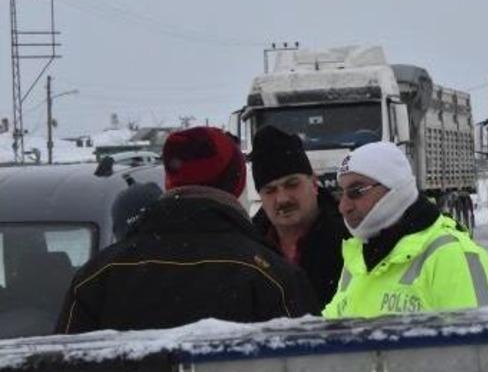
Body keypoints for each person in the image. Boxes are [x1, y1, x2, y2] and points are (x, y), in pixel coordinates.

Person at [56, 127, 319, 334]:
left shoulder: (98, 275)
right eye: (270, 189)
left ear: (169, 183)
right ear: (237, 183)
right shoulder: (269, 274)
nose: (281, 198)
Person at [323, 142, 488, 318]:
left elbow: (482, 346)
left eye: (357, 191)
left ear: (394, 188)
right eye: (341, 194)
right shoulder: (357, 257)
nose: (343, 206)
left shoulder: (453, 255)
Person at [249, 126, 349, 306]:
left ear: (314, 184)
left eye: (292, 184)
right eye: (270, 190)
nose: (282, 199)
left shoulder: (350, 240)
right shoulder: (249, 248)